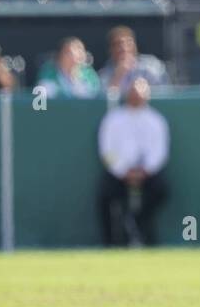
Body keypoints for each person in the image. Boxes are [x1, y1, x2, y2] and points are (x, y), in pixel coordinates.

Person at [98, 77, 170, 246]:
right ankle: (112, 243)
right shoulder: (113, 119)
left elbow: (160, 152)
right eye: (133, 91)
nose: (137, 95)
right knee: (105, 194)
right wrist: (123, 171)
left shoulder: (156, 120)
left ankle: (142, 227)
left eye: (141, 91)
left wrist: (145, 170)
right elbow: (106, 151)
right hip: (120, 174)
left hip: (147, 174)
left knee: (161, 190)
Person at [98, 26, 169, 96]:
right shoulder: (105, 74)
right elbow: (103, 101)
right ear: (111, 50)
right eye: (118, 44)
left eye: (128, 43)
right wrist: (118, 74)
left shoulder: (151, 65)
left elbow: (165, 91)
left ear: (135, 46)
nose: (124, 48)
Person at [37, 37, 102, 99]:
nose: (74, 56)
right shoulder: (48, 73)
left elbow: (95, 95)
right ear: (59, 56)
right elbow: (43, 95)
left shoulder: (89, 74)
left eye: (79, 51)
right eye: (68, 53)